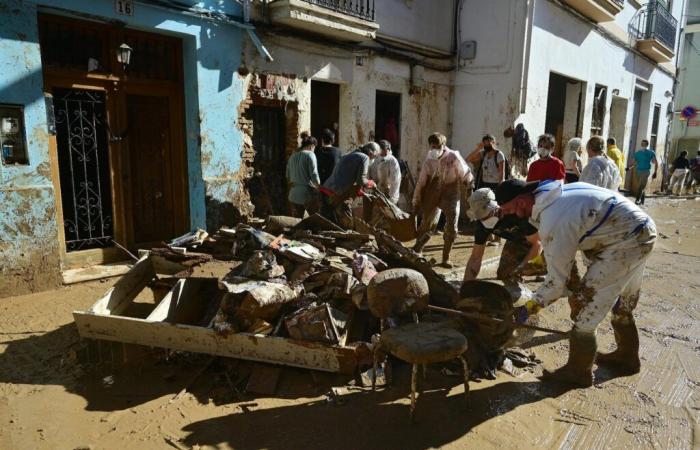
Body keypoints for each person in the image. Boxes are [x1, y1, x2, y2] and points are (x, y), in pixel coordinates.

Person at [495, 179, 656, 387]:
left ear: (524, 198)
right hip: (641, 230)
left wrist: (525, 310)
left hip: (625, 243)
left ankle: (578, 372)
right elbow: (560, 249)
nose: (516, 215)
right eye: (509, 212)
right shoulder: (554, 195)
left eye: (514, 207)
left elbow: (555, 286)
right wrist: (534, 265)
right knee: (623, 302)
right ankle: (627, 357)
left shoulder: (554, 218)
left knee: (584, 308)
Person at [463, 188, 541, 296]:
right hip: (517, 240)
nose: (484, 220)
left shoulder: (516, 212)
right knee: (505, 275)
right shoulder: (481, 225)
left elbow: (537, 244)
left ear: (494, 207)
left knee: (552, 271)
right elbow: (475, 257)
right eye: (481, 217)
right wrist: (466, 287)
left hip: (545, 241)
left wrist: (522, 267)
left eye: (486, 215)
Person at [413, 132, 473, 268]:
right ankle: (418, 251)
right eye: (432, 146)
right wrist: (416, 201)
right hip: (433, 193)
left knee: (452, 225)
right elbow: (421, 181)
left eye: (437, 146)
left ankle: (446, 258)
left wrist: (469, 189)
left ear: (443, 145)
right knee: (427, 222)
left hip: (451, 193)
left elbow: (466, 174)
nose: (434, 149)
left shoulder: (453, 157)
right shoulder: (429, 159)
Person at [321, 143, 376, 227]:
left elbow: (346, 179)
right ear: (371, 153)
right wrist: (371, 183)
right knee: (347, 226)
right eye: (376, 155)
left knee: (329, 225)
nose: (375, 158)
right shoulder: (364, 157)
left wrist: (364, 194)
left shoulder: (348, 155)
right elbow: (361, 180)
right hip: (337, 195)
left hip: (326, 191)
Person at [286, 134, 320, 218]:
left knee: (297, 222)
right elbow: (314, 175)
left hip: (293, 195)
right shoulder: (310, 155)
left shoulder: (292, 156)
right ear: (312, 146)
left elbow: (288, 176)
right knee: (316, 220)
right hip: (307, 195)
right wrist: (319, 187)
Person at [628, 139, 658, 205]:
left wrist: (655, 172)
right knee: (641, 186)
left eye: (644, 144)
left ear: (647, 144)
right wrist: (629, 168)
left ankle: (637, 199)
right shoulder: (637, 153)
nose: (643, 145)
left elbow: (655, 162)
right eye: (642, 143)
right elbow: (634, 163)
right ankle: (642, 200)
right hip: (638, 171)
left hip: (646, 171)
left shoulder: (651, 152)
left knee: (640, 186)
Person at [374, 140, 402, 204]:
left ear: (389, 149)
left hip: (389, 193)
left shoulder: (392, 160)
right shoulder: (376, 159)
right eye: (382, 149)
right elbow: (373, 175)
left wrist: (391, 195)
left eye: (386, 149)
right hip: (378, 191)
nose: (385, 151)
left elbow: (395, 179)